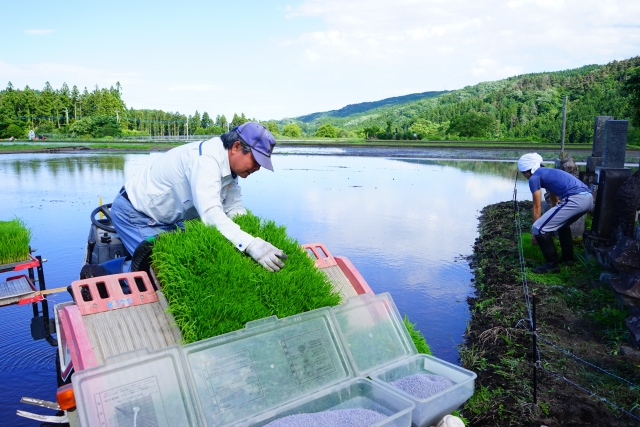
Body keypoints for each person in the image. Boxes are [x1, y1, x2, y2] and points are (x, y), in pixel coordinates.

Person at [110, 122, 288, 272]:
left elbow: (233, 208)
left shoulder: (230, 168)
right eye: (256, 161)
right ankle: (103, 271)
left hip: (167, 218)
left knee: (191, 254)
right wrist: (250, 245)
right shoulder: (206, 161)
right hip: (136, 212)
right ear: (236, 147)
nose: (257, 168)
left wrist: (253, 235)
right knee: (158, 269)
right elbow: (211, 213)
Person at [518, 153, 593, 274]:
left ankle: (552, 265)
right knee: (562, 225)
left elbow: (537, 207)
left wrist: (535, 232)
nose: (525, 176)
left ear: (528, 171)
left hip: (576, 199)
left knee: (539, 228)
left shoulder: (534, 178)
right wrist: (555, 216)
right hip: (588, 199)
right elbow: (555, 199)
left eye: (523, 173)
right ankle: (568, 259)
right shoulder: (549, 173)